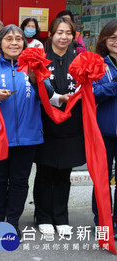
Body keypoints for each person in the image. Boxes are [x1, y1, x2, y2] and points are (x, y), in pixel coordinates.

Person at [0, 24, 46, 241]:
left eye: (19, 39)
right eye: (9, 39)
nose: (14, 43)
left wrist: (36, 78)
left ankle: (12, 222)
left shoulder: (34, 67)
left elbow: (47, 96)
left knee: (20, 181)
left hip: (28, 136)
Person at [33, 17, 84, 237]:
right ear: (51, 35)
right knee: (45, 171)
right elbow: (35, 91)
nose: (64, 37)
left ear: (74, 36)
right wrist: (56, 99)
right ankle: (43, 216)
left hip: (72, 124)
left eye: (68, 33)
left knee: (64, 172)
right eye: (59, 32)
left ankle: (61, 216)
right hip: (46, 123)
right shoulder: (40, 60)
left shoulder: (81, 60)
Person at [93, 18, 117, 237]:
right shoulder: (97, 64)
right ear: (105, 40)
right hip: (104, 131)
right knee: (101, 179)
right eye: (113, 37)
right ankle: (102, 220)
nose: (116, 41)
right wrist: (115, 86)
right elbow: (93, 93)